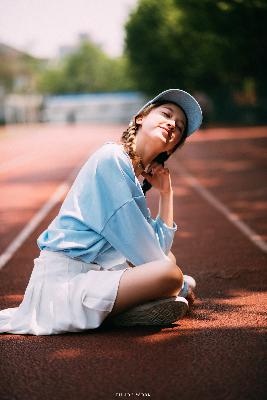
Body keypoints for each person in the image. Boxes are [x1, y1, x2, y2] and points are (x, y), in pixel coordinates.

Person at [0, 89, 202, 335]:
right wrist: (178, 284)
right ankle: (124, 311)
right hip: (63, 286)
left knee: (171, 269)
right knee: (171, 274)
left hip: (91, 276)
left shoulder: (131, 176)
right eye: (167, 114)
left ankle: (127, 308)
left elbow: (159, 251)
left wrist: (166, 195)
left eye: (179, 127)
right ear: (141, 117)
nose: (172, 124)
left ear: (171, 148)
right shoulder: (112, 159)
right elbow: (150, 255)